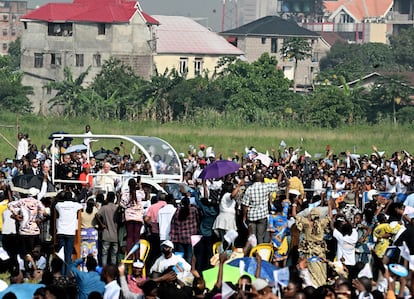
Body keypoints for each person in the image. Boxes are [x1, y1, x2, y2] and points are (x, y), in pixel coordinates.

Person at [242, 172, 278, 244]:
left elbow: (245, 205)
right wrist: (280, 174)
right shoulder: (266, 186)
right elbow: (277, 184)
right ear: (261, 178)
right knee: (260, 236)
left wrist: (244, 216)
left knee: (252, 236)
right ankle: (259, 252)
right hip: (262, 215)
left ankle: (253, 252)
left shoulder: (249, 189)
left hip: (251, 216)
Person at [55, 191, 83, 275]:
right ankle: (66, 274)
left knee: (61, 255)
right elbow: (81, 206)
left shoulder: (59, 205)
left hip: (60, 231)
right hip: (70, 232)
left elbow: (56, 203)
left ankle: (60, 273)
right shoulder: (75, 205)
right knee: (68, 255)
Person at [120, 178, 145, 260]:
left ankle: (130, 255)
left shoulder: (126, 194)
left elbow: (122, 205)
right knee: (137, 237)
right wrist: (140, 186)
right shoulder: (140, 193)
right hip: (138, 217)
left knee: (129, 237)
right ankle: (137, 255)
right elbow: (144, 196)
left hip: (129, 217)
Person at [170, 197, 199, 264]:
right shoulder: (193, 210)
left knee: (180, 256)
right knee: (189, 255)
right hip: (190, 237)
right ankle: (188, 270)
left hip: (180, 237)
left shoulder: (178, 211)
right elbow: (198, 218)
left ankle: (181, 270)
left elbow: (173, 223)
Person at [95, 192, 119, 266]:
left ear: (107, 198)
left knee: (104, 254)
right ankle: (113, 272)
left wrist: (102, 225)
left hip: (106, 235)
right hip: (115, 236)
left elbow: (97, 215)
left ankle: (104, 271)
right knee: (113, 256)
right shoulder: (117, 208)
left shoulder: (104, 208)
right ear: (114, 199)